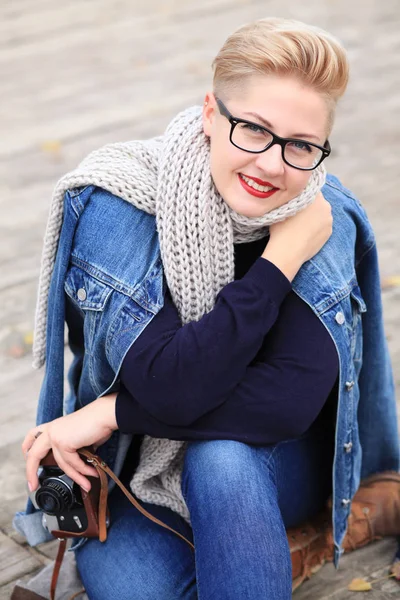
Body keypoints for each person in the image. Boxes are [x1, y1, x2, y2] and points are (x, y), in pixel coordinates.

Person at [15, 17, 400, 600]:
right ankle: (279, 551)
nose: (273, 164)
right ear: (210, 114)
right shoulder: (117, 205)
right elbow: (173, 387)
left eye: (300, 144)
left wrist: (111, 411)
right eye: (252, 129)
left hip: (276, 462)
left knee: (220, 457)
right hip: (139, 471)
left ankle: (270, 538)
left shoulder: (321, 216)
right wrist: (275, 270)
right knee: (133, 589)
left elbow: (287, 404)